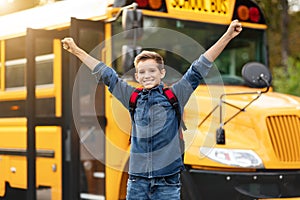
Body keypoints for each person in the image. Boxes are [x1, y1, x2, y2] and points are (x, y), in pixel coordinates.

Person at [62, 19, 242, 200]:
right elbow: (107, 74)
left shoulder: (175, 95)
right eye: (142, 72)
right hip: (137, 182)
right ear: (137, 76)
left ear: (162, 73)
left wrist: (228, 36)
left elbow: (199, 67)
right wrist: (76, 50)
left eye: (152, 71)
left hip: (167, 182)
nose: (147, 76)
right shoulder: (132, 97)